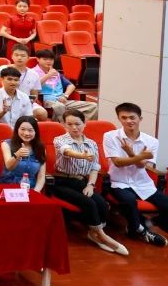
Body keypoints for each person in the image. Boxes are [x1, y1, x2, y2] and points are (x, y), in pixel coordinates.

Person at [103, 102, 168, 247]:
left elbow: (141, 165)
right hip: (118, 182)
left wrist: (131, 154)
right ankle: (141, 231)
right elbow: (117, 162)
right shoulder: (110, 136)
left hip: (143, 183)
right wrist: (140, 156)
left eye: (132, 117)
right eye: (124, 118)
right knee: (129, 201)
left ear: (140, 119)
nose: (128, 121)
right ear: (119, 119)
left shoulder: (151, 141)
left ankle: (145, 224)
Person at [51, 110, 128, 256]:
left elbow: (94, 167)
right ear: (64, 125)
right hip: (62, 181)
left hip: (82, 181)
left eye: (77, 124)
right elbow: (66, 151)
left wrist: (90, 185)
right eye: (69, 124)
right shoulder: (60, 140)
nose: (74, 127)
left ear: (84, 124)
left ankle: (94, 233)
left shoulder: (91, 144)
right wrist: (82, 155)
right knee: (89, 203)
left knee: (102, 203)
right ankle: (103, 237)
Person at [30, 49, 96, 120]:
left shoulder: (56, 73)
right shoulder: (32, 72)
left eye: (51, 59)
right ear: (38, 59)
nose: (48, 61)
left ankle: (80, 124)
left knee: (93, 106)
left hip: (62, 100)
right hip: (46, 101)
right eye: (45, 59)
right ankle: (63, 126)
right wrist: (48, 75)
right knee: (59, 107)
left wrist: (65, 96)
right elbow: (33, 87)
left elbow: (71, 85)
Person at [0, 116, 46, 191]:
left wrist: (36, 191)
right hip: (9, 187)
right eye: (22, 129)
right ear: (17, 129)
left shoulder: (40, 148)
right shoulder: (6, 144)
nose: (26, 133)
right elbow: (9, 166)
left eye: (30, 130)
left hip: (31, 188)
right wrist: (17, 155)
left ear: (35, 132)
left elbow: (41, 176)